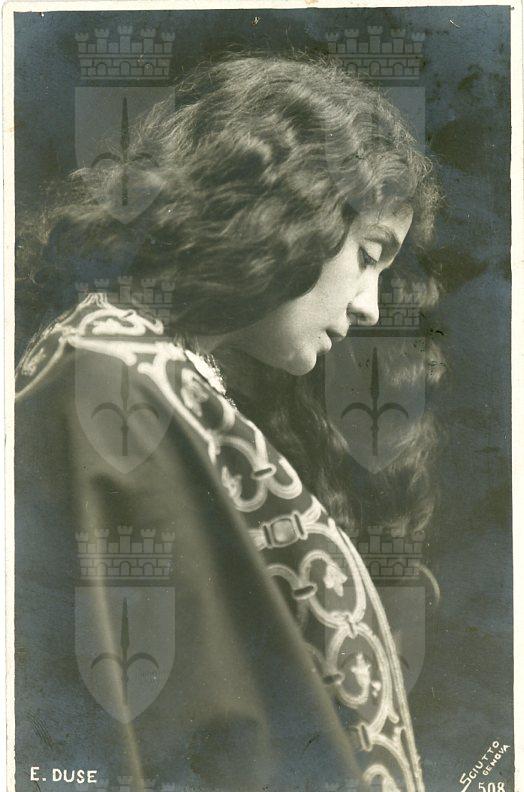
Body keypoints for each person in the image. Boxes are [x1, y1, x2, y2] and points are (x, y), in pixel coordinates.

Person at [15, 54, 441, 792]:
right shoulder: (107, 387)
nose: (370, 307)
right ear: (292, 210)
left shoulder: (154, 376)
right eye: (369, 256)